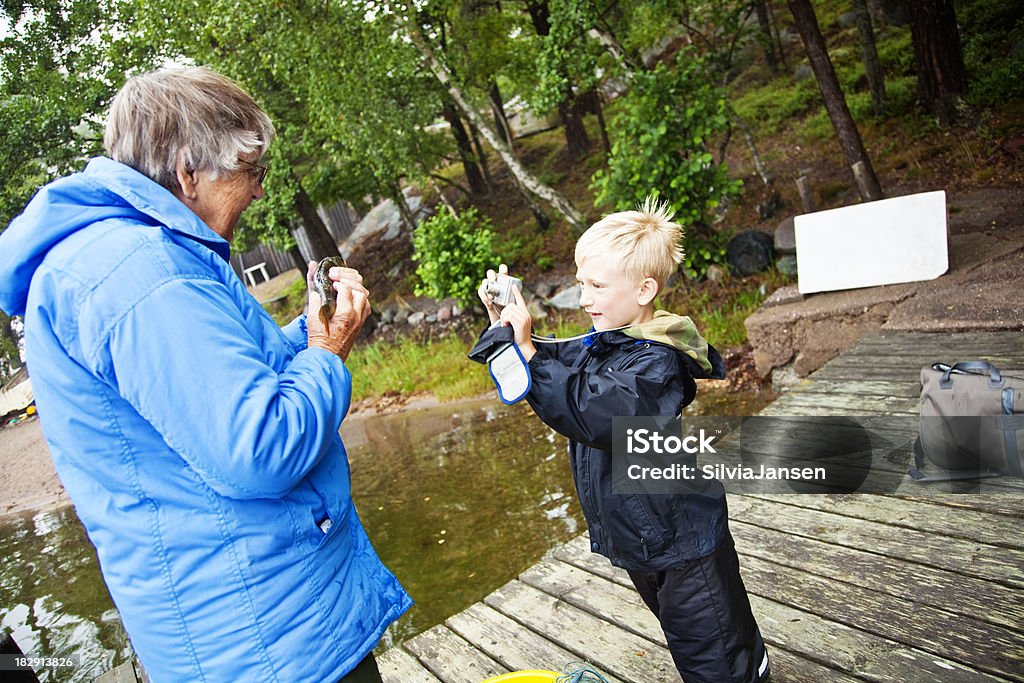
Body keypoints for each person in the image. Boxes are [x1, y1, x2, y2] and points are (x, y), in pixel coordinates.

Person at [0, 67, 410, 682]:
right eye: (251, 173)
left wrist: (308, 330)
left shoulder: (128, 255)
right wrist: (327, 352)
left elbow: (223, 380)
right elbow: (259, 447)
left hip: (248, 623)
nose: (260, 192)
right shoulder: (139, 272)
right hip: (267, 640)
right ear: (189, 171)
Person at [477, 198, 770, 683]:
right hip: (643, 537)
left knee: (713, 652)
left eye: (596, 286)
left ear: (644, 290)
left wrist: (529, 349)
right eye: (581, 284)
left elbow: (593, 412)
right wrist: (503, 328)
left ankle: (749, 670)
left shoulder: (657, 360)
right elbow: (544, 379)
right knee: (691, 637)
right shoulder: (604, 344)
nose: (584, 297)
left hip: (681, 541)